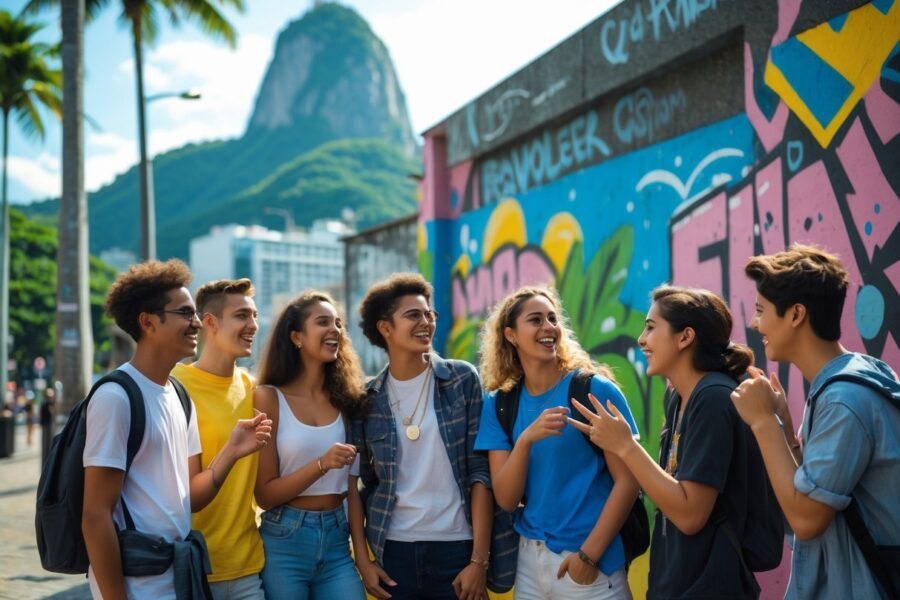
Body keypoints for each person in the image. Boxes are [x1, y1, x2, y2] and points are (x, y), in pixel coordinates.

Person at [82, 259, 272, 600]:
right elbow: (95, 516)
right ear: (148, 322)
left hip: (181, 578)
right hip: (138, 584)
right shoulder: (116, 396)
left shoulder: (177, 396)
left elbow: (192, 498)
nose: (198, 322)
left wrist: (232, 450)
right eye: (185, 313)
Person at [569, 285, 763, 598]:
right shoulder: (678, 397)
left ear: (685, 337)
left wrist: (626, 447)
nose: (641, 339)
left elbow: (690, 515)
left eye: (650, 327)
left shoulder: (713, 398)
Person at [730, 244, 900, 599]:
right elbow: (808, 498)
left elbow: (806, 520)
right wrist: (786, 431)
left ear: (796, 314)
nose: (754, 322)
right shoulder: (850, 379)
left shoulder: (844, 401)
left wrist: (763, 422)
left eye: (761, 310)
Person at [475, 286, 639, 599]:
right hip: (529, 566)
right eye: (535, 320)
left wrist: (588, 558)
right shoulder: (499, 404)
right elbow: (507, 499)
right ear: (511, 335)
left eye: (552, 319)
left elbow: (629, 481)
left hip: (590, 564)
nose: (549, 327)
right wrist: (524, 441)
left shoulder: (593, 390)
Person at [351, 273, 493, 600]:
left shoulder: (461, 379)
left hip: (458, 548)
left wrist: (479, 561)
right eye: (413, 314)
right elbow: (358, 482)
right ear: (385, 328)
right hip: (393, 551)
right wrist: (363, 559)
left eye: (430, 314)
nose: (426, 321)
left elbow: (480, 471)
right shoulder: (367, 398)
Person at [253, 290, 368, 600]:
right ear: (297, 337)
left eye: (339, 323)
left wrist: (363, 557)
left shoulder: (347, 400)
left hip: (336, 539)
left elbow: (352, 489)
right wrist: (321, 464)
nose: (335, 330)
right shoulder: (268, 398)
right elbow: (265, 494)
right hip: (284, 540)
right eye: (323, 322)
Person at [171, 278, 265, 599]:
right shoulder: (175, 387)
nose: (253, 324)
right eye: (241, 316)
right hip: (192, 565)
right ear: (209, 322)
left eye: (254, 315)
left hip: (248, 566)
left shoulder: (254, 388)